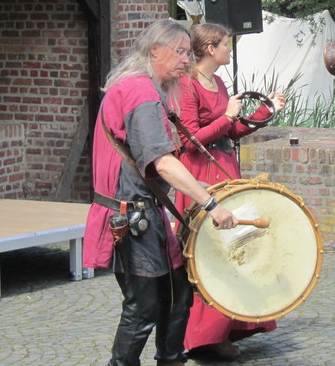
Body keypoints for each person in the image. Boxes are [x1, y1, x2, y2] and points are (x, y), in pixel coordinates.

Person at [83, 20, 239, 366]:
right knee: (144, 307)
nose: (186, 59)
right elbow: (163, 163)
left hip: (143, 212)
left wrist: (198, 188)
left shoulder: (139, 88)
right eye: (179, 52)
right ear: (155, 51)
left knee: (177, 296)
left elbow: (153, 166)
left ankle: (171, 360)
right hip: (131, 216)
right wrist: (211, 204)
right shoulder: (140, 92)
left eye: (187, 52)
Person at [175, 22, 285, 360]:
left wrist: (266, 110)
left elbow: (231, 130)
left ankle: (229, 327)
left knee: (236, 247)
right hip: (200, 175)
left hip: (224, 169)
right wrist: (225, 117)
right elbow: (189, 140)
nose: (229, 49)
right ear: (210, 48)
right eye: (225, 43)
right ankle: (203, 336)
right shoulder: (188, 85)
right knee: (209, 253)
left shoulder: (218, 82)